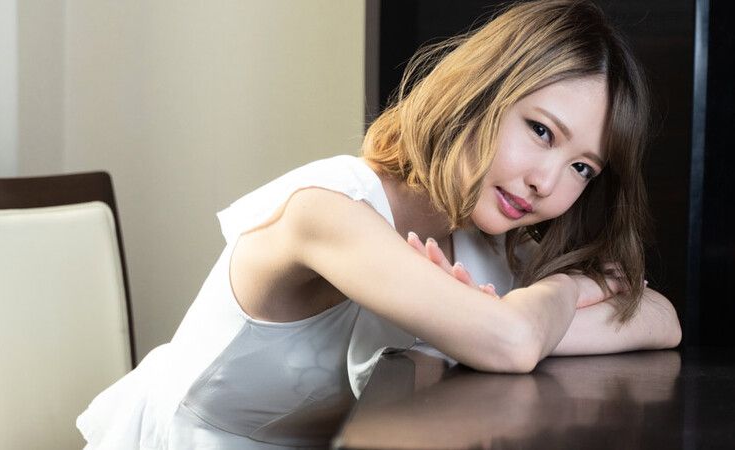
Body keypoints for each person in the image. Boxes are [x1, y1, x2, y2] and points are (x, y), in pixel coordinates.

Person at [77, 1, 682, 448]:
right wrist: (556, 301)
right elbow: (512, 343)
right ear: (480, 94)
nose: (546, 182)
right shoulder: (326, 210)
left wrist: (539, 304)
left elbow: (659, 317)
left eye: (582, 167)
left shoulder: (485, 240)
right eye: (541, 131)